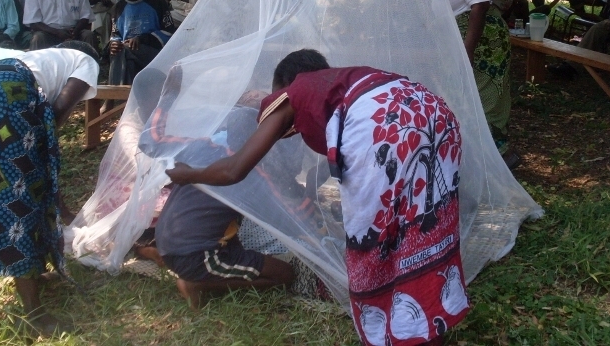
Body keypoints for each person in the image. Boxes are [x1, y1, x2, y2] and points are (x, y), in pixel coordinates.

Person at [165, 49, 470, 345]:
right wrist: (317, 179)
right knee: (426, 222)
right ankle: (433, 318)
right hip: (433, 114)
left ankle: (394, 329)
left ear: (285, 83)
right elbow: (355, 135)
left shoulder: (291, 94)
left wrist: (189, 175)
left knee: (371, 235)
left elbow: (234, 170)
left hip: (385, 131)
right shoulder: (346, 84)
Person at [0, 42, 99, 336]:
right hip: (1, 95)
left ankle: (32, 269)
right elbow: (58, 112)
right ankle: (34, 315)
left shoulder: (41, 60)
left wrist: (61, 206)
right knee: (17, 199)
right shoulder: (86, 59)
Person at [432, 0, 517, 168]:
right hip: (466, 41)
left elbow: (479, 7)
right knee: (466, 98)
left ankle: (499, 158)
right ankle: (477, 156)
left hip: (484, 46)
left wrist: (467, 51)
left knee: (485, 98)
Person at [151, 182, 293, 309]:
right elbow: (285, 216)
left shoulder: (209, 163)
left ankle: (202, 274)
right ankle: (198, 285)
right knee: (284, 274)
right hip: (196, 255)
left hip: (168, 241)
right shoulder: (247, 175)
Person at [109, 0, 174, 87]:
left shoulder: (157, 2)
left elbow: (169, 32)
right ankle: (129, 94)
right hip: (127, 54)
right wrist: (114, 43)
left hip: (154, 53)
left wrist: (141, 39)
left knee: (125, 51)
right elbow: (115, 35)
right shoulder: (118, 8)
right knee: (124, 56)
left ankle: (113, 94)